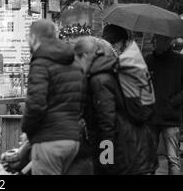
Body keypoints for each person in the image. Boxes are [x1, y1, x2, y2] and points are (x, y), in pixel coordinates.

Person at [74, 36, 157, 175]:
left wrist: (105, 160)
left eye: (76, 60)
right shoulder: (111, 70)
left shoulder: (99, 79)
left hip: (125, 154)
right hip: (137, 149)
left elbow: (107, 124)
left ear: (84, 56)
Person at [21, 19, 85, 175]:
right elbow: (83, 100)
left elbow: (36, 104)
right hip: (72, 140)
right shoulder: (74, 61)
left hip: (49, 140)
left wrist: (27, 131)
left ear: (34, 38)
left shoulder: (41, 62)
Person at [146, 34, 183, 175]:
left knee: (173, 159)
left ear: (167, 41)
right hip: (151, 117)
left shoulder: (179, 60)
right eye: (153, 39)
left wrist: (173, 102)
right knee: (149, 158)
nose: (153, 42)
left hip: (171, 117)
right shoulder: (148, 60)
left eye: (156, 39)